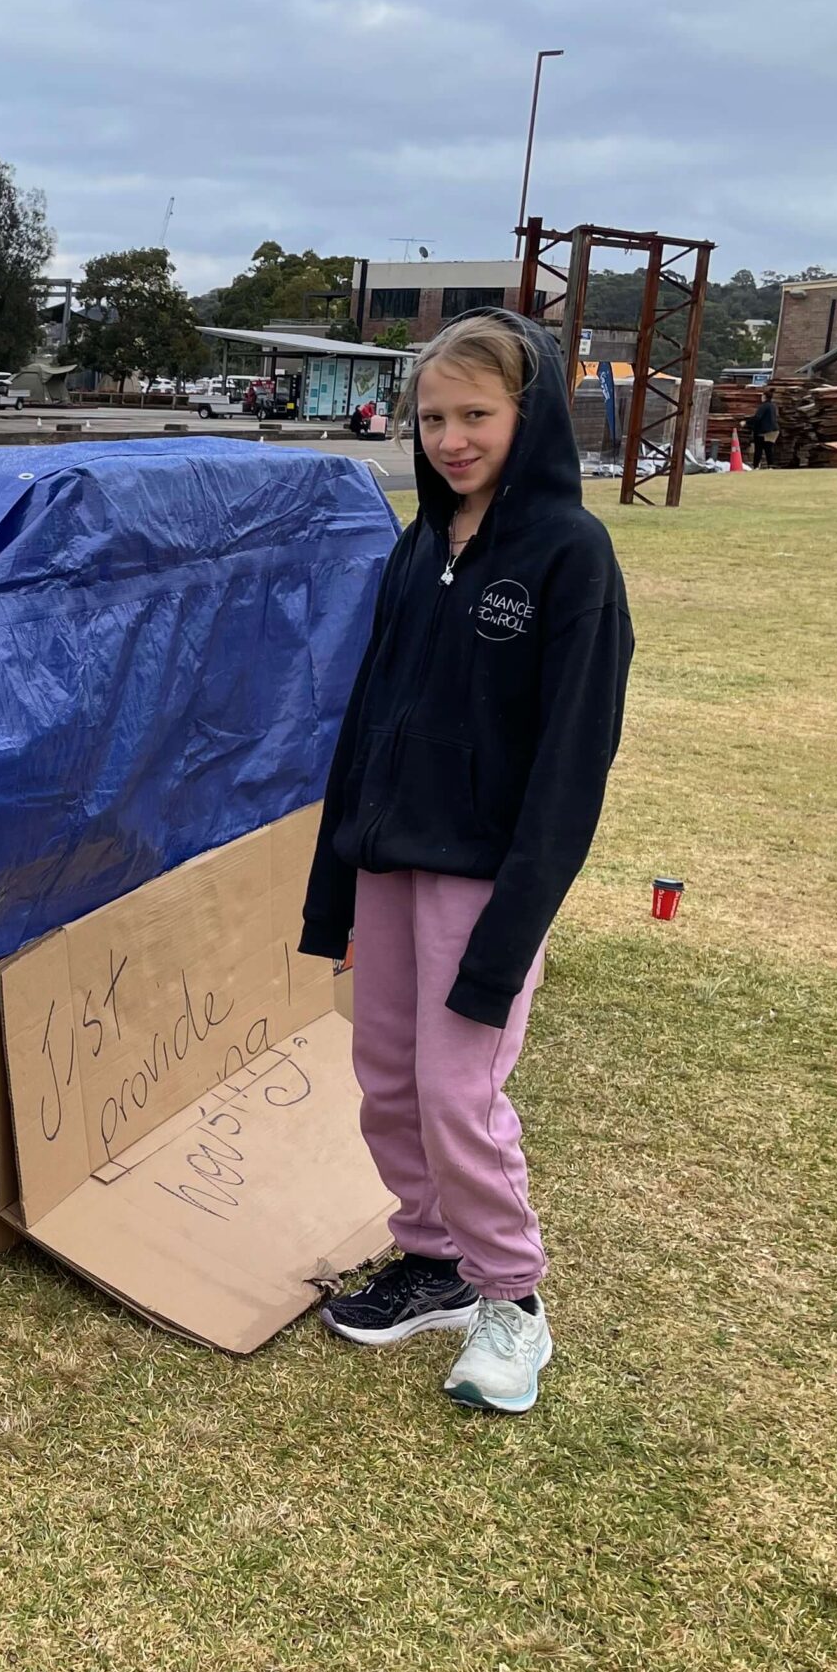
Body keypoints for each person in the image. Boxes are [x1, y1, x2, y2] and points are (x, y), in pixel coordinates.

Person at [298, 308, 633, 1416]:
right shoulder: (415, 548)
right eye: (432, 416)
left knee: (457, 1092)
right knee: (386, 1083)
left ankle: (511, 1303)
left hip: (486, 880)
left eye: (474, 415)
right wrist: (332, 880)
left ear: (526, 413)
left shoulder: (567, 553)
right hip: (388, 863)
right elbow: (364, 720)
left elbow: (572, 762)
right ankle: (433, 1261)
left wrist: (513, 926)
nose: (449, 438)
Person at [747, 393, 778, 468]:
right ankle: (771, 466)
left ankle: (756, 466)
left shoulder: (763, 406)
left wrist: (747, 422)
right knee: (768, 449)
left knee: (758, 449)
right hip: (774, 430)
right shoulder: (773, 406)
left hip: (763, 431)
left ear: (764, 397)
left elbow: (757, 417)